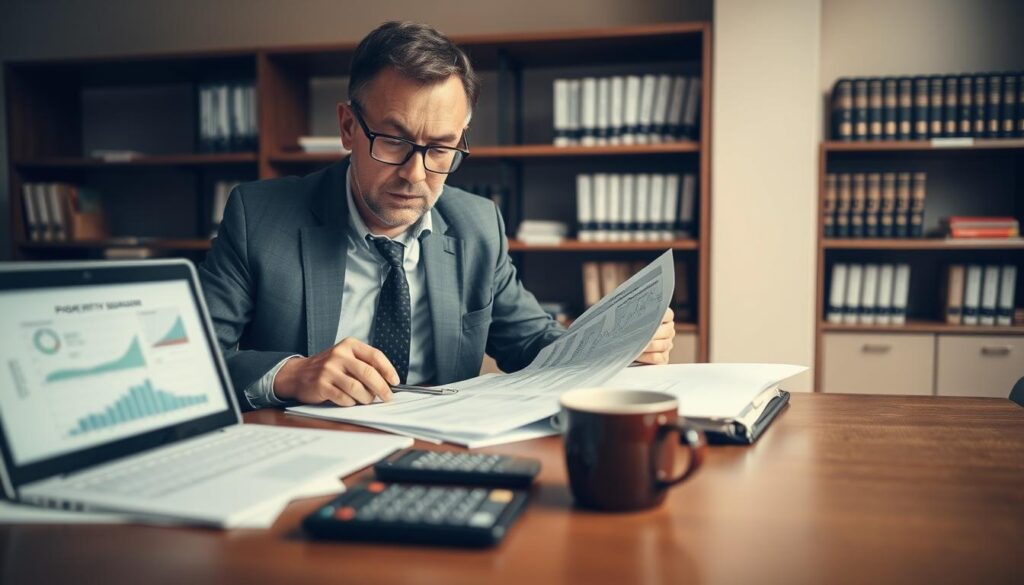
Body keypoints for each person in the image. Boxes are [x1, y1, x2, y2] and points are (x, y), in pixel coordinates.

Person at [199, 21, 675, 410]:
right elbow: (197, 362)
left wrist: (617, 347)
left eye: (442, 148)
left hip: (442, 451)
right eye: (394, 141)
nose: (415, 173)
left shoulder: (478, 225)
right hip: (308, 452)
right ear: (348, 127)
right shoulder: (258, 217)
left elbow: (534, 344)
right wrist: (289, 374)